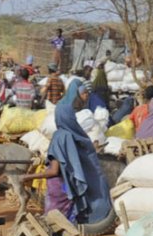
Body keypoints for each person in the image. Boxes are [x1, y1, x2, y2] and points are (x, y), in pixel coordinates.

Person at [30, 80, 111, 227]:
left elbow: (54, 170)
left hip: (57, 191)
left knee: (55, 225)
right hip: (64, 190)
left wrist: (29, 176)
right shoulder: (71, 136)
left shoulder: (60, 137)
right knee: (64, 225)